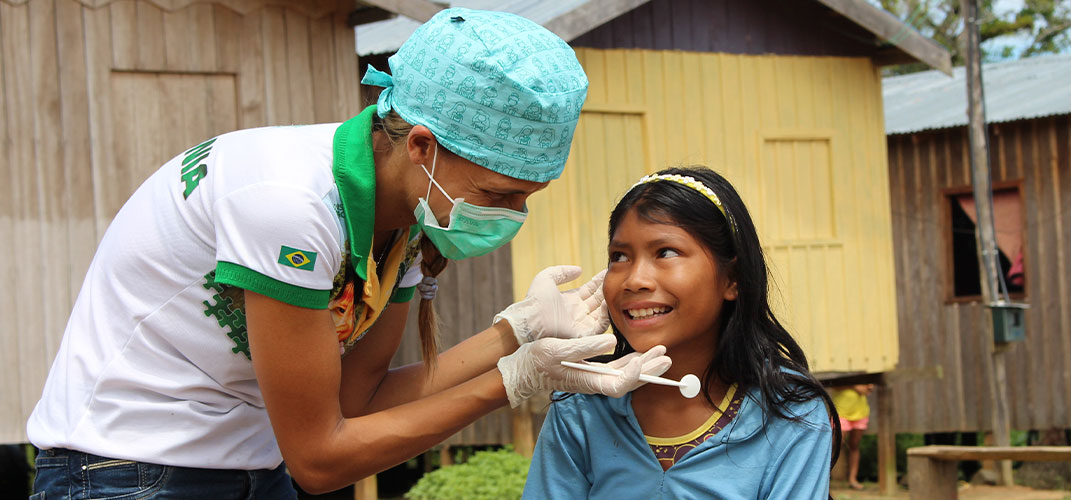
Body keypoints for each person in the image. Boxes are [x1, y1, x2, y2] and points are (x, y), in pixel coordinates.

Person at [27, 9, 670, 498]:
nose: (510, 217)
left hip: (247, 466)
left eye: (527, 198)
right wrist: (514, 383)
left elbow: (357, 404)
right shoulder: (288, 205)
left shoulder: (404, 223)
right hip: (128, 470)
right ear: (422, 146)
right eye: (498, 193)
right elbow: (321, 459)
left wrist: (516, 333)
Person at [523, 167, 841, 499]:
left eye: (666, 252)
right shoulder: (582, 408)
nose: (634, 280)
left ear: (732, 279)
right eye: (619, 257)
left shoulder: (789, 413)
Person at [831, 383, 874, 490]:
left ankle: (852, 479)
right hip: (841, 412)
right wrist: (856, 386)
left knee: (854, 445)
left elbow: (868, 389)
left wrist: (853, 385)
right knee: (836, 444)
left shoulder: (865, 371)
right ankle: (824, 476)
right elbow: (835, 384)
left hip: (860, 412)